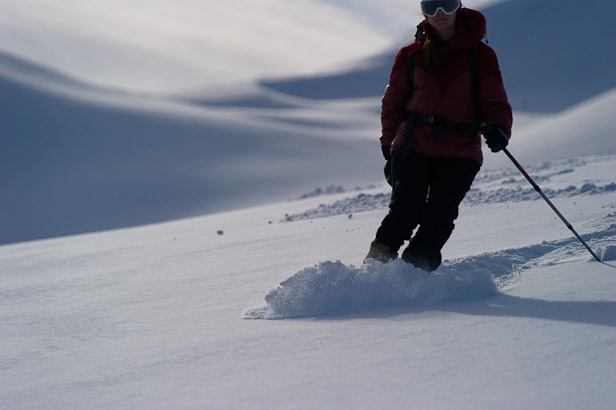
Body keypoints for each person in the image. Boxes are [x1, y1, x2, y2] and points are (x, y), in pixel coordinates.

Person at [364, 0, 513, 271]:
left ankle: (414, 275)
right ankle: (372, 271)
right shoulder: (410, 54)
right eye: (431, 6)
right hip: (413, 147)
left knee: (440, 217)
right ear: (423, 11)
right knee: (403, 213)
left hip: (461, 153)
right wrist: (389, 146)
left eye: (446, 4)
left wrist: (499, 128)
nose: (440, 13)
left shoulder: (480, 55)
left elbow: (494, 99)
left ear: (458, 6)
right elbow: (392, 104)